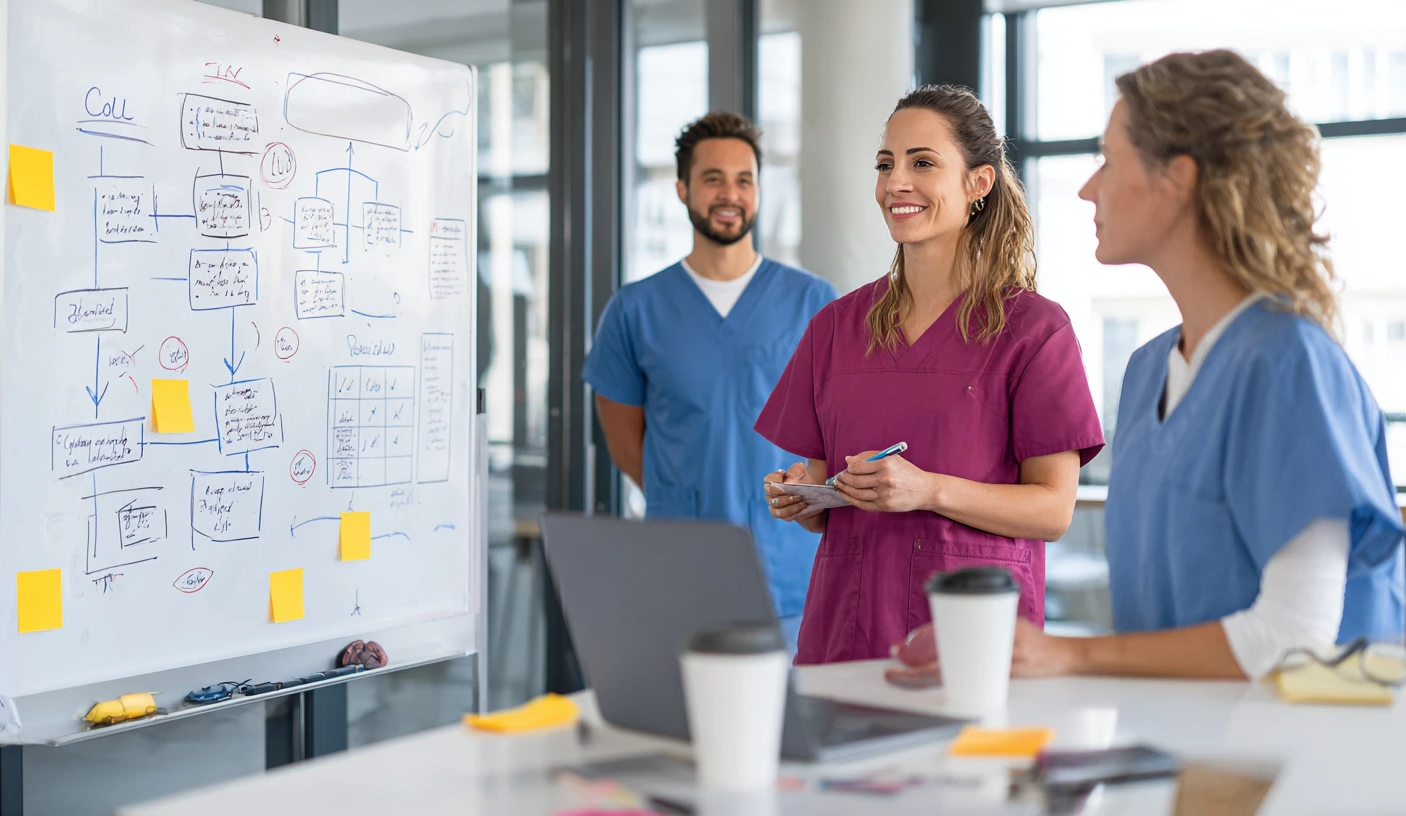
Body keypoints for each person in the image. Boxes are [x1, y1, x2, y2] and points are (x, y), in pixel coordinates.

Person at [895, 50, 1404, 682]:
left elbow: (1294, 635)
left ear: (1178, 179)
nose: (1088, 188)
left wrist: (1067, 655)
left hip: (1299, 737)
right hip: (1178, 732)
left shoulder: (1289, 363)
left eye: (1109, 160)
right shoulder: (1147, 373)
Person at [756, 85, 1105, 665]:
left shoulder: (1034, 330)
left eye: (922, 163)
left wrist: (929, 489)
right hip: (844, 639)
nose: (896, 182)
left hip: (972, 642)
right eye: (885, 164)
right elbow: (822, 505)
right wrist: (802, 496)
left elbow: (1053, 510)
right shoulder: (836, 327)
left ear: (978, 183)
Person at [583, 112, 837, 652]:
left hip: (788, 573)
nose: (730, 193)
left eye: (744, 179)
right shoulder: (634, 310)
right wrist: (683, 494)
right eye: (713, 179)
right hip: (680, 567)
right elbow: (625, 444)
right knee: (681, 704)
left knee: (788, 704)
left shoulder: (813, 302)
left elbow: (835, 432)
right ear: (683, 189)